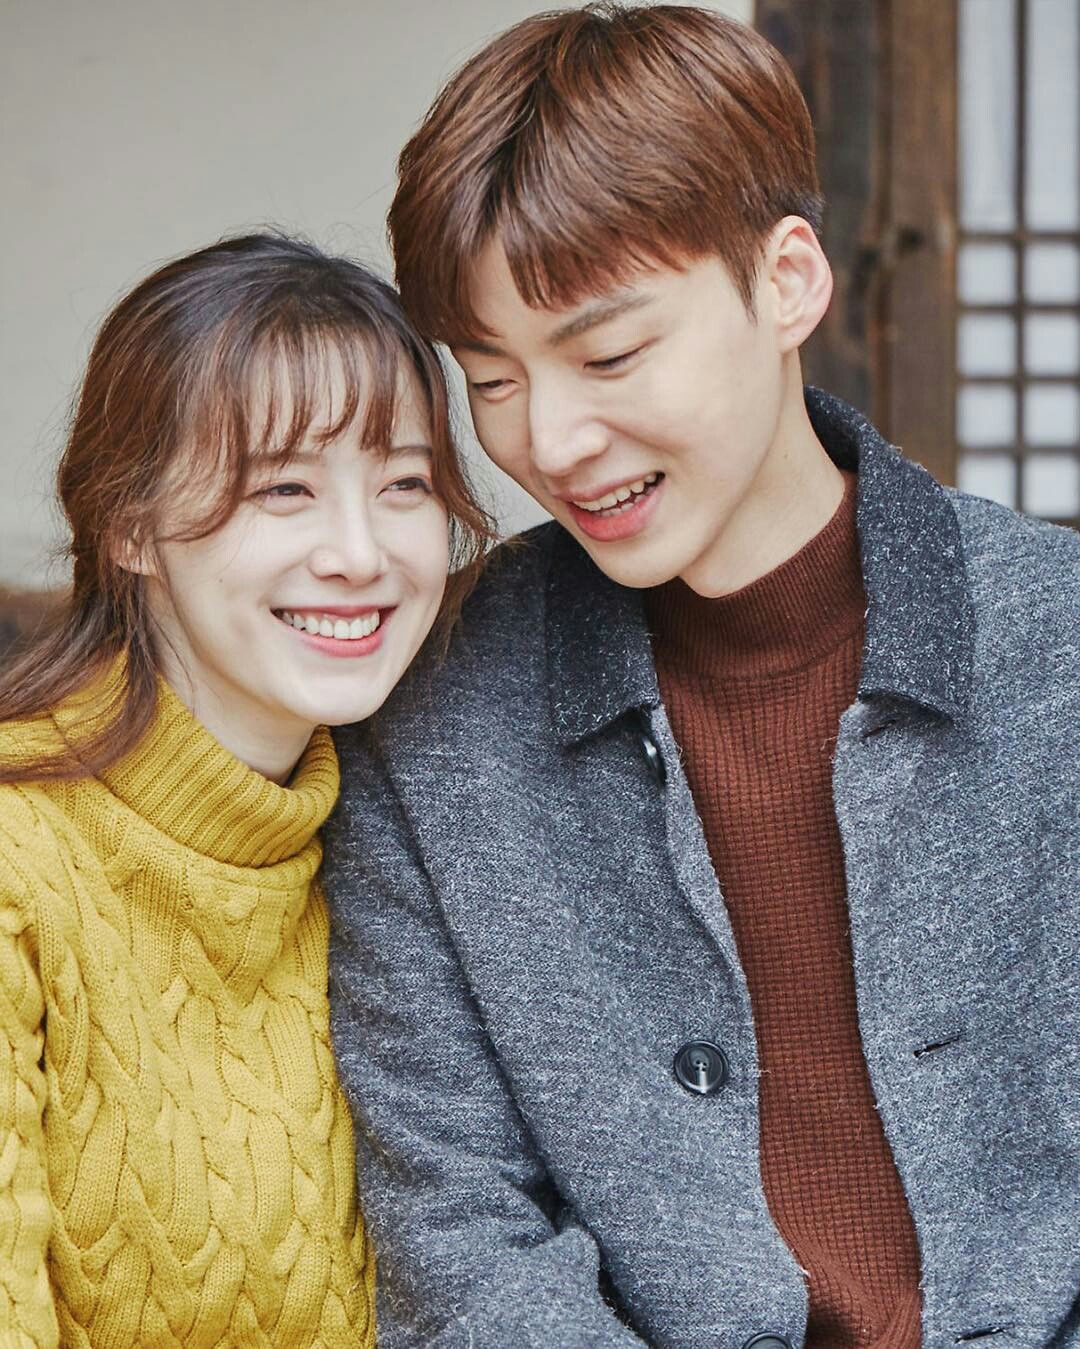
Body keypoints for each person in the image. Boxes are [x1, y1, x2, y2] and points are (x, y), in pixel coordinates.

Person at [322, 6, 1079, 1349]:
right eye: (492, 379)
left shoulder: (1057, 639)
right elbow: (458, 1234)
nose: (551, 439)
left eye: (609, 354)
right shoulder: (431, 710)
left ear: (786, 283)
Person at [0, 232, 491, 1346]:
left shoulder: (412, 834)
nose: (360, 553)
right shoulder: (21, 863)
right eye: (284, 488)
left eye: (404, 483)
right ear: (130, 524)